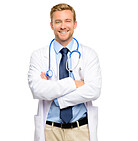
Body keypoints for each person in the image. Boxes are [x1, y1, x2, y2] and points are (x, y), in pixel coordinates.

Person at [28, 3, 102, 141]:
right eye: (58, 22)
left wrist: (57, 98)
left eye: (67, 21)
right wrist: (74, 84)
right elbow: (37, 90)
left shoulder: (89, 54)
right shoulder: (38, 56)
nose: (63, 26)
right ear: (51, 25)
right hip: (50, 130)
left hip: (81, 131)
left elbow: (94, 90)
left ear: (75, 24)